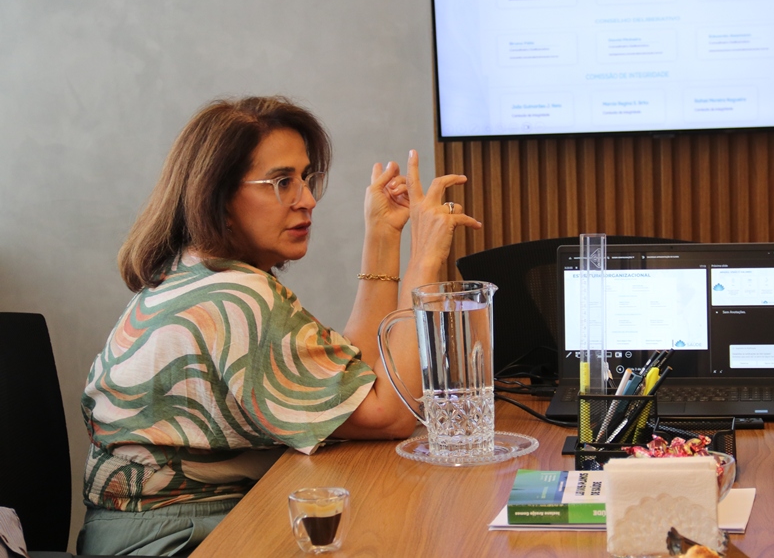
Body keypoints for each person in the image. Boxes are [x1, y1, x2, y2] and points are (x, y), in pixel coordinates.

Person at [78, 96, 480, 555]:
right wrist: (424, 260)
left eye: (305, 179)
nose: (307, 199)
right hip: (171, 539)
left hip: (170, 523)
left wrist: (383, 236)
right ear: (219, 197)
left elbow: (349, 383)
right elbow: (392, 414)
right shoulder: (235, 298)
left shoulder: (198, 271)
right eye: (282, 182)